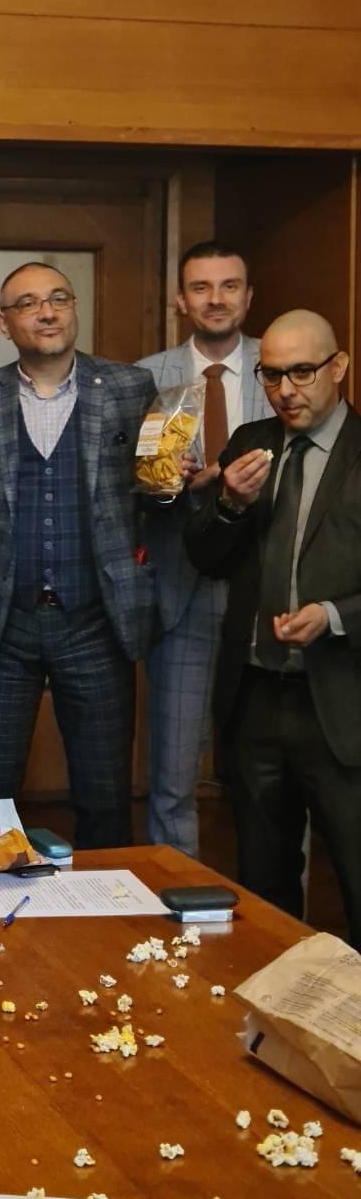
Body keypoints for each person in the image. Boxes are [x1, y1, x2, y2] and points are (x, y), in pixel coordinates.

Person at [0, 261, 155, 849]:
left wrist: (175, 479)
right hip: (3, 623)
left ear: (75, 308)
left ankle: (106, 905)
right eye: (28, 303)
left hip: (97, 620)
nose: (47, 312)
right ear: (3, 323)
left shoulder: (129, 388)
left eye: (59, 298)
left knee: (105, 794)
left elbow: (157, 496)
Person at [186, 309, 361, 946]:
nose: (285, 390)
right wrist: (230, 504)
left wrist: (334, 616)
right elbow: (205, 557)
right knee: (263, 886)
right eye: (272, 375)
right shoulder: (250, 442)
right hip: (256, 697)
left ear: (338, 367)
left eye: (302, 372)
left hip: (340, 704)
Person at [137, 241, 273, 856]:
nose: (215, 299)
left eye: (229, 286)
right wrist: (170, 484)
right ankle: (175, 899)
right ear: (180, 299)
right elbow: (137, 493)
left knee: (272, 780)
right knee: (172, 780)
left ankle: (278, 905)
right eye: (201, 287)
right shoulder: (148, 376)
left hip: (266, 592)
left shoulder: (282, 367)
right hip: (182, 593)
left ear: (249, 295)